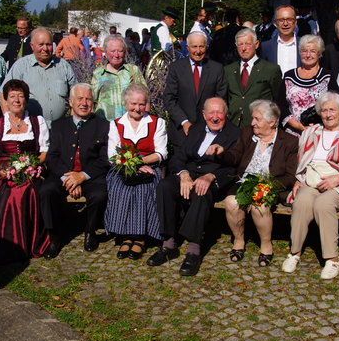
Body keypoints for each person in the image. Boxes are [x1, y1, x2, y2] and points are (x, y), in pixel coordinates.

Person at [149, 97, 241, 276]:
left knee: (201, 192)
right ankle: (168, 244)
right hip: (188, 175)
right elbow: (179, 157)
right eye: (211, 113)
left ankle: (193, 250)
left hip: (213, 179)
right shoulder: (196, 129)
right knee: (165, 186)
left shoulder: (235, 134)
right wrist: (183, 174)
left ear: (226, 114)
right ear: (204, 114)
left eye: (219, 112)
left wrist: (211, 176)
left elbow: (235, 167)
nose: (215, 117)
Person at [282, 92, 339, 279]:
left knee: (323, 203)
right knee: (302, 200)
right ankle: (295, 252)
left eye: (332, 110)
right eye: (324, 110)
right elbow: (299, 162)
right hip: (311, 181)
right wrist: (298, 179)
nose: (328, 115)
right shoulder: (310, 133)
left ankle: (332, 258)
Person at [207, 100, 298, 267]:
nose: (252, 123)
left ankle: (266, 244)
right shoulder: (248, 133)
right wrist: (222, 153)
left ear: (272, 121)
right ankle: (239, 240)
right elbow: (235, 155)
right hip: (245, 181)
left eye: (257, 119)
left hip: (269, 184)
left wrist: (268, 185)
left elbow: (290, 176)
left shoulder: (289, 142)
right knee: (231, 202)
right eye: (253, 118)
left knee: (260, 204)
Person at [39, 83, 110, 258]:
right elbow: (52, 157)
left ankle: (90, 231)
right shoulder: (58, 125)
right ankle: (54, 237)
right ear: (71, 102)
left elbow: (104, 159)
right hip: (62, 175)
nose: (84, 103)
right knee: (46, 191)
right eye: (80, 99)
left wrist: (81, 176)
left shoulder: (103, 125)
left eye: (88, 99)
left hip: (90, 176)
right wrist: (67, 178)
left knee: (99, 194)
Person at [0, 79, 50, 261]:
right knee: (9, 190)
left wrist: (31, 166)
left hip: (31, 168)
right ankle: (8, 244)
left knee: (28, 188)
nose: (17, 100)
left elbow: (44, 151)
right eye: (12, 96)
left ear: (26, 100)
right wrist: (3, 172)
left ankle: (30, 243)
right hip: (3, 170)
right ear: (5, 100)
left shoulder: (37, 122)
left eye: (20, 96)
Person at [104, 84, 168, 260]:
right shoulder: (116, 124)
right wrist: (133, 164)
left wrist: (140, 162)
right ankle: (125, 236)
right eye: (133, 104)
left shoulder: (157, 123)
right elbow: (112, 155)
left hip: (150, 168)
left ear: (146, 104)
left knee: (144, 190)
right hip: (121, 169)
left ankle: (140, 237)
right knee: (119, 188)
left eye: (141, 104)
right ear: (126, 104)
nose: (137, 108)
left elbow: (162, 152)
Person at [1, 27, 78, 127]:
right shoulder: (21, 66)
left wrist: (72, 121)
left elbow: (76, 94)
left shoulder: (63, 66)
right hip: (30, 128)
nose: (45, 49)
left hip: (60, 128)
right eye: (41, 45)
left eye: (48, 44)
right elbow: (3, 93)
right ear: (32, 46)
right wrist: (10, 121)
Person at [163, 31, 228, 149]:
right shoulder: (176, 68)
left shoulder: (217, 69)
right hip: (181, 132)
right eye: (194, 46)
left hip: (208, 131)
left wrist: (210, 121)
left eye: (201, 46)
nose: (198, 51)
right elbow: (169, 98)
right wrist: (184, 121)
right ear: (187, 48)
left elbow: (220, 98)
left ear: (206, 47)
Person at [225, 28, 281, 127]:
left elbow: (277, 100)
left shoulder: (271, 69)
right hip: (233, 125)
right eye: (240, 44)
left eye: (248, 44)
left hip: (260, 126)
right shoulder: (228, 70)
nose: (244, 48)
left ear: (256, 44)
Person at [278, 34, 331, 136]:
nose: (308, 55)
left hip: (320, 132)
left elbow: (334, 105)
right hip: (291, 133)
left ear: (320, 54)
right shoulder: (289, 76)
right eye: (304, 51)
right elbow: (281, 105)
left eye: (313, 51)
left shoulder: (327, 76)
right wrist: (298, 126)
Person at [91, 34, 147, 121]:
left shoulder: (133, 71)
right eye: (112, 51)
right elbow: (92, 100)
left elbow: (145, 96)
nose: (116, 55)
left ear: (125, 52)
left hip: (129, 124)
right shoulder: (98, 74)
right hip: (105, 125)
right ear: (105, 52)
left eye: (120, 51)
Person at [259, 5, 301, 75]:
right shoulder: (266, 46)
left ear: (295, 22)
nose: (285, 24)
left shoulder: (305, 45)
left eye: (289, 19)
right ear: (275, 23)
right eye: (281, 20)